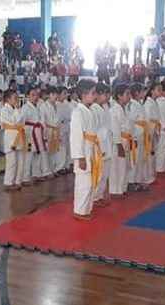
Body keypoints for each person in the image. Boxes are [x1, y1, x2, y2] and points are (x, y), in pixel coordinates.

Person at [70, 79, 99, 220]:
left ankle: (86, 209)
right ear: (84, 94)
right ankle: (79, 211)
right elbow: (76, 136)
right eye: (93, 93)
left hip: (91, 149)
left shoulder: (89, 110)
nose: (95, 96)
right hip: (83, 152)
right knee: (83, 183)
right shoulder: (78, 112)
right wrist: (80, 157)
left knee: (90, 183)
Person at [109, 84, 131, 197]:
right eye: (127, 94)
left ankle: (122, 187)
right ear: (119, 96)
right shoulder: (114, 110)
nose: (129, 96)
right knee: (117, 167)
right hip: (118, 142)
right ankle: (115, 190)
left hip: (126, 139)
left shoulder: (125, 108)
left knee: (124, 166)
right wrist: (119, 145)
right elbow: (115, 129)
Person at [0, 90, 25, 190]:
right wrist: (17, 110)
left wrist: (17, 109)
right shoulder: (4, 110)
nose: (17, 100)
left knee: (20, 160)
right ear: (8, 99)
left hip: (19, 135)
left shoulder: (17, 109)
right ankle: (8, 183)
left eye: (17, 98)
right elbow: (15, 121)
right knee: (11, 161)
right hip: (11, 136)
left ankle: (18, 181)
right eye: (15, 98)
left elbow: (22, 121)